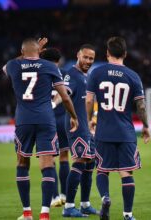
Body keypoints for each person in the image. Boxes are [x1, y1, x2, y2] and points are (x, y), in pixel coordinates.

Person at [5, 38, 78, 220]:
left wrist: (29, 52)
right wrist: (74, 117)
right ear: (39, 51)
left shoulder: (14, 65)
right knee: (47, 164)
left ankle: (27, 212)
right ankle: (45, 213)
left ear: (22, 52)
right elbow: (65, 97)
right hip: (46, 120)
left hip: (24, 120)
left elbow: (6, 68)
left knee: (22, 163)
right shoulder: (50, 67)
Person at [86, 36, 151, 220]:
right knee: (126, 172)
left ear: (107, 54)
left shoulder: (96, 73)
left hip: (103, 131)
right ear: (125, 54)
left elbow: (90, 100)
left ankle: (106, 197)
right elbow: (141, 107)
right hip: (125, 132)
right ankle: (128, 215)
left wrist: (89, 119)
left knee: (102, 170)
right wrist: (146, 126)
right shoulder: (133, 76)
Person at [56, 44, 98, 217]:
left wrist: (92, 119)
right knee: (79, 162)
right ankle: (69, 207)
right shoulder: (72, 75)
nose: (88, 61)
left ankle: (85, 204)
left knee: (89, 163)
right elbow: (64, 94)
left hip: (86, 126)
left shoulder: (85, 76)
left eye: (91, 58)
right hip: (76, 126)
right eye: (85, 57)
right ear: (78, 55)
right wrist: (73, 116)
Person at [40, 48, 70, 207]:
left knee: (49, 159)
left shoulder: (40, 73)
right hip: (63, 119)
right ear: (59, 60)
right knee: (64, 157)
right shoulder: (66, 73)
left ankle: (54, 196)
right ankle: (65, 195)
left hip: (46, 120)